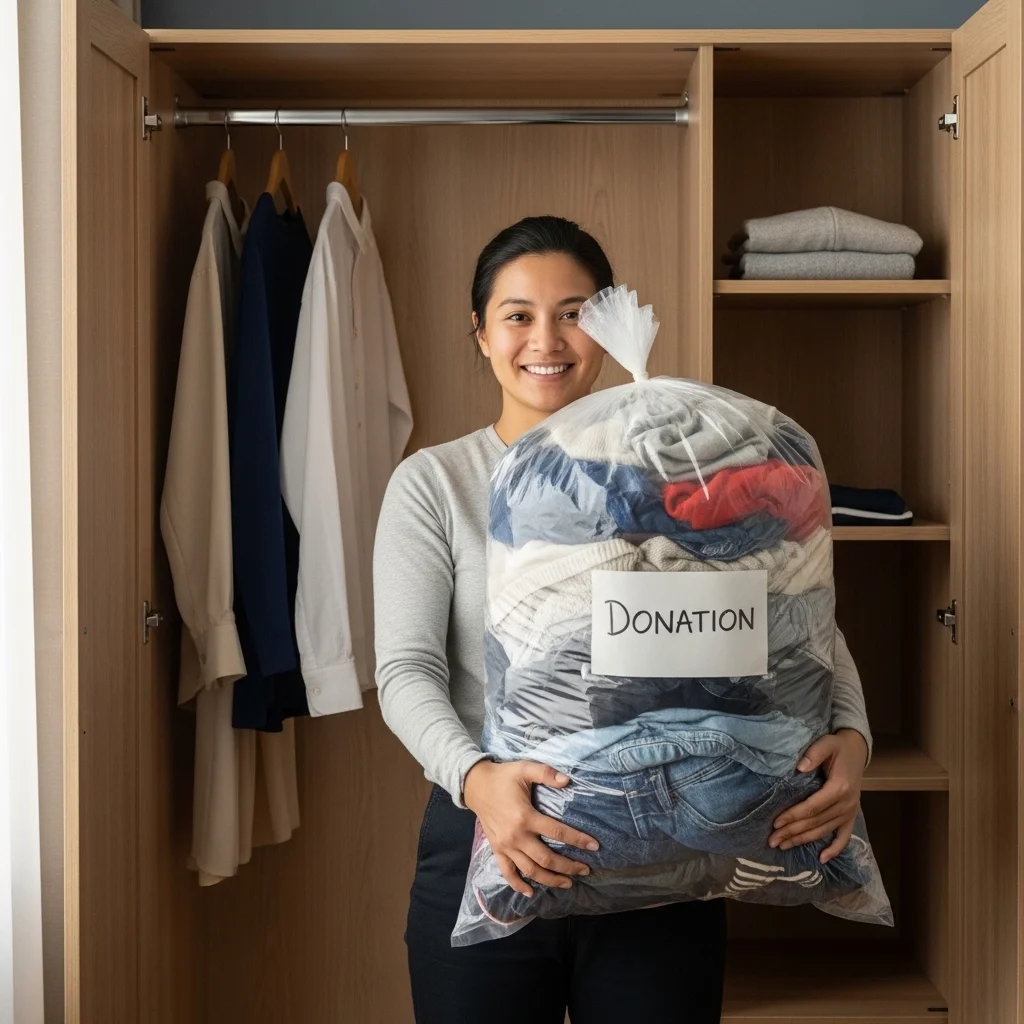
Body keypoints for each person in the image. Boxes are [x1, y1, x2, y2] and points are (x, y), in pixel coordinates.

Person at [373, 216, 872, 1024]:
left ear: (604, 323)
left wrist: (851, 737)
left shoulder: (685, 469)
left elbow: (795, 617)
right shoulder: (437, 483)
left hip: (670, 850)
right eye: (518, 314)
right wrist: (478, 782)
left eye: (572, 312)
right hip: (496, 837)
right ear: (480, 332)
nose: (546, 339)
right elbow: (404, 669)